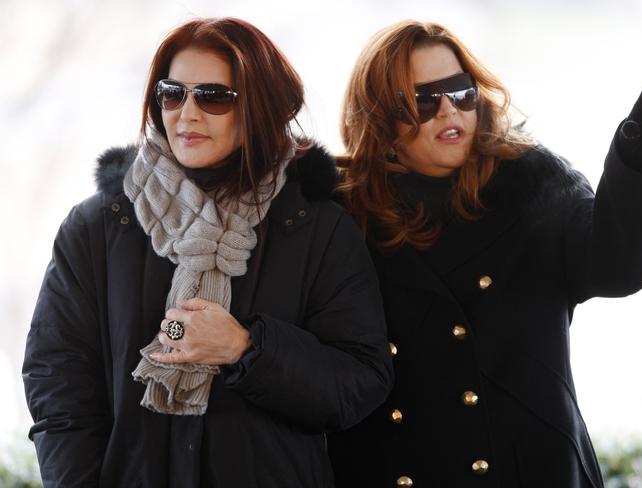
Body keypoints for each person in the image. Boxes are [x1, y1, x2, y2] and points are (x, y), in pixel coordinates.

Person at [22, 17, 392, 488]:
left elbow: (359, 382)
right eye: (172, 93)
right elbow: (57, 382)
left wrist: (246, 349)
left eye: (215, 97)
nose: (187, 113)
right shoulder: (98, 226)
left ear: (261, 106)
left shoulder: (317, 229)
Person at [327, 19, 642, 488]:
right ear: (379, 116)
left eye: (460, 93)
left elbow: (617, 264)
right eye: (423, 100)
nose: (448, 111)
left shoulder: (534, 185)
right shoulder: (341, 218)